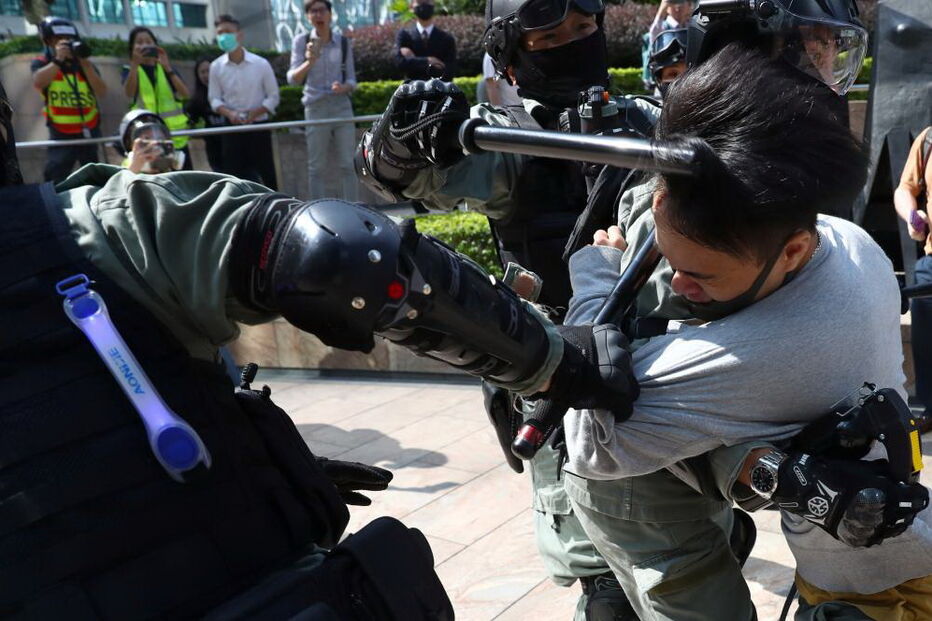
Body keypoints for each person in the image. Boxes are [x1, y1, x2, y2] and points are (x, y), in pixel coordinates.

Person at [0, 72, 454, 619]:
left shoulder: (108, 225)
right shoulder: (102, 219)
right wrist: (553, 363)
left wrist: (260, 458)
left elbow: (328, 253)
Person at [562, 43, 932, 621]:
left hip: (881, 597)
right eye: (667, 256)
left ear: (791, 251)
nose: (677, 283)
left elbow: (591, 442)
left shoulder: (777, 350)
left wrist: (593, 280)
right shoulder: (848, 241)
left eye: (700, 275)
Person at [357, 0, 690, 618]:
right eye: (548, 38)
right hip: (564, 370)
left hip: (664, 356)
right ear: (511, 61)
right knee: (607, 578)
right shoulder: (505, 139)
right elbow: (401, 177)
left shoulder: (648, 119)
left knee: (700, 542)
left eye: (584, 28)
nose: (573, 43)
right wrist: (403, 141)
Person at [287, 0, 359, 201]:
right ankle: (318, 212)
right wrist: (310, 61)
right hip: (315, 107)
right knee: (316, 166)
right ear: (308, 17)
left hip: (341, 105)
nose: (318, 15)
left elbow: (352, 79)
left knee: (348, 163)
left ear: (330, 14)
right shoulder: (301, 42)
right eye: (313, 11)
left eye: (322, 10)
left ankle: (353, 209)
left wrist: (345, 87)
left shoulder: (343, 42)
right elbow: (292, 79)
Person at [31, 16, 107, 184]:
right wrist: (58, 60)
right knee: (55, 179)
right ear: (48, 41)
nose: (66, 43)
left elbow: (101, 91)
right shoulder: (43, 62)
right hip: (61, 133)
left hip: (89, 130)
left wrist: (86, 65)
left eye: (69, 39)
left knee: (95, 178)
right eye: (59, 39)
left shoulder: (84, 64)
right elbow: (38, 81)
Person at [209, 14, 280, 190]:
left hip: (258, 128)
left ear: (239, 35)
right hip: (232, 128)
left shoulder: (260, 64)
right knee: (233, 179)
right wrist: (230, 113)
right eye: (220, 33)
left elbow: (273, 96)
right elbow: (214, 98)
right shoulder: (216, 67)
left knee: (267, 175)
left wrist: (254, 113)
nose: (223, 36)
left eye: (228, 31)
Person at [894, 126, 932, 434]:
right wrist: (912, 216)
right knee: (926, 336)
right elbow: (904, 189)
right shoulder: (928, 140)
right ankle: (930, 408)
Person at [122, 26, 193, 170]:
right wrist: (134, 65)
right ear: (132, 48)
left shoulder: (166, 69)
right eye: (139, 42)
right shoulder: (130, 70)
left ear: (156, 45)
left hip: (175, 140)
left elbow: (185, 94)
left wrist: (168, 68)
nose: (144, 45)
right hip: (148, 141)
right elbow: (129, 93)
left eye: (148, 41)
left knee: (184, 181)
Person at [395, 0, 457, 81]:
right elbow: (400, 64)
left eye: (427, 1)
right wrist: (429, 61)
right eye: (420, 2)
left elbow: (449, 72)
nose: (424, 5)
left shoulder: (447, 39)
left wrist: (414, 61)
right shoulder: (404, 35)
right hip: (411, 91)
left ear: (433, 4)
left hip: (438, 91)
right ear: (411, 6)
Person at [184, 55, 225, 172]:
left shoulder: (228, 93)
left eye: (209, 70)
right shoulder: (196, 101)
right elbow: (192, 122)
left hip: (231, 145)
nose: (206, 75)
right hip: (213, 148)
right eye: (202, 72)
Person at [118, 109, 185, 174]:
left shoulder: (169, 170)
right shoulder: (126, 170)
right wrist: (134, 168)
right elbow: (122, 183)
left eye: (160, 138)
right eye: (146, 139)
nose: (154, 143)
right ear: (129, 144)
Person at [647, 28, 686, 100]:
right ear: (659, 80)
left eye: (691, 73)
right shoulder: (648, 109)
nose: (683, 82)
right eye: (673, 74)